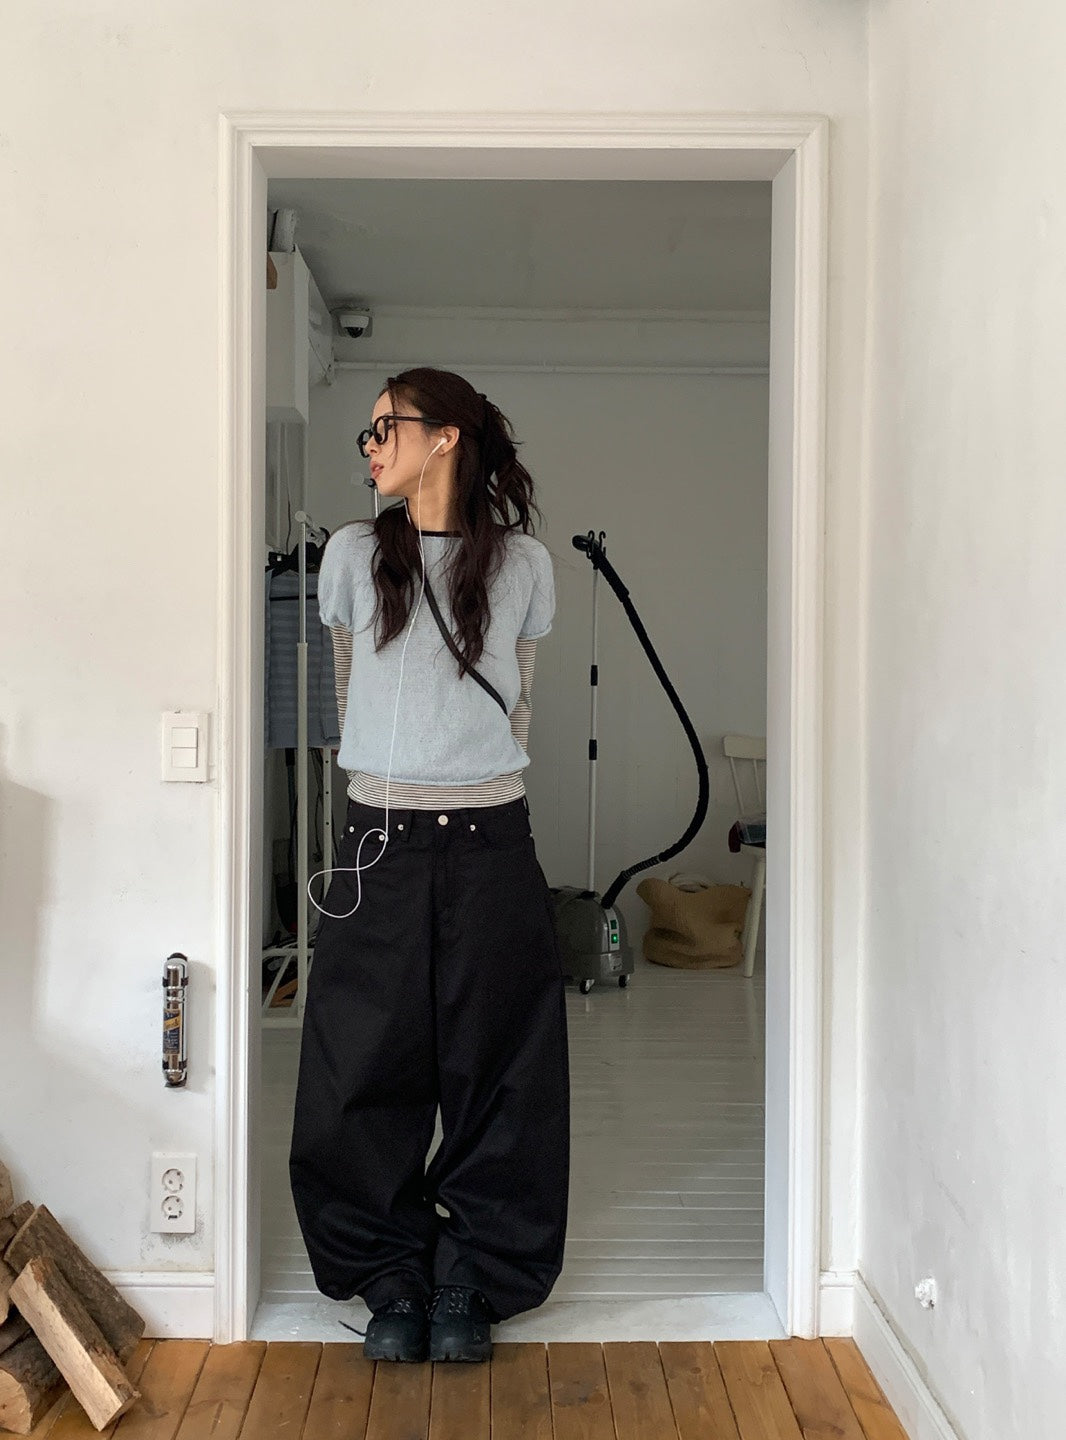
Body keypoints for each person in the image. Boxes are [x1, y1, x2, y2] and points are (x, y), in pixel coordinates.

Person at [288, 367, 571, 1365]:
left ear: (445, 436)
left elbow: (520, 704)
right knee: (362, 1060)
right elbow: (348, 693)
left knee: (500, 1065)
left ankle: (473, 1276)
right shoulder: (353, 553)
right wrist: (392, 783)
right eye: (366, 434)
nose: (369, 447)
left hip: (490, 838)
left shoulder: (524, 564)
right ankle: (389, 1275)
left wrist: (463, 778)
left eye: (386, 428)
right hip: (379, 839)